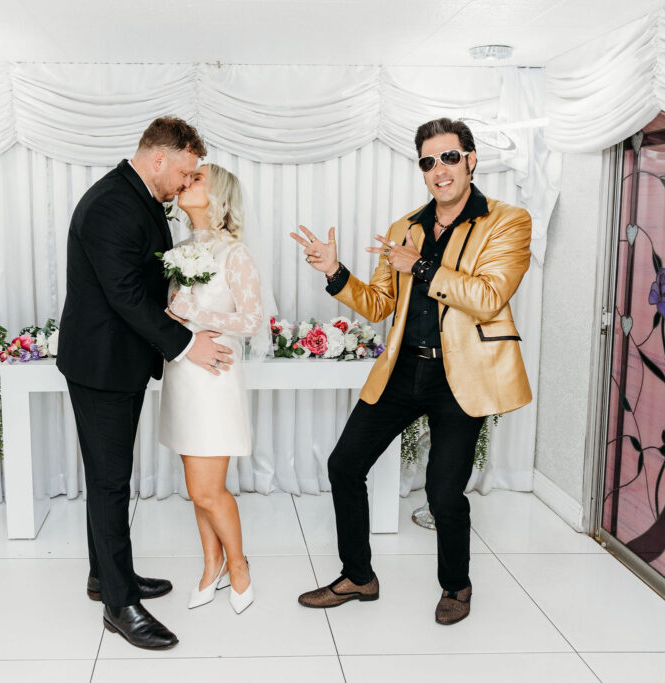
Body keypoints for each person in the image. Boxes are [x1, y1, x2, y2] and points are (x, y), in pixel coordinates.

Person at [290, 117, 533, 625]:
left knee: (445, 493)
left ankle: (456, 586)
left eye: (448, 157)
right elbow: (379, 304)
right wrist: (336, 273)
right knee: (344, 465)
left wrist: (420, 266)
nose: (439, 169)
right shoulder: (406, 227)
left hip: (460, 378)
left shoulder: (508, 220)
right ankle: (359, 576)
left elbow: (489, 298)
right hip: (404, 371)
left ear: (470, 159)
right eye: (428, 161)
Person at [57, 117, 234, 650]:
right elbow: (125, 295)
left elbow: (148, 282)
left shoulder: (135, 196)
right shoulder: (113, 204)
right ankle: (119, 604)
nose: (186, 183)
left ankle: (106, 577)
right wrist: (185, 344)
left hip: (118, 360)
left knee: (111, 475)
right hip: (101, 366)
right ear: (160, 159)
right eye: (184, 172)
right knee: (111, 482)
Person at [160, 163, 265, 615]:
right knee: (194, 485)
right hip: (183, 375)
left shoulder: (233, 253)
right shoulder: (180, 249)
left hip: (215, 378)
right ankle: (211, 563)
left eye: (197, 179)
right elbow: (171, 317)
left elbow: (252, 320)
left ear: (218, 195)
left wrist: (196, 316)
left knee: (208, 490)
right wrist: (173, 315)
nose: (186, 183)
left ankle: (238, 565)